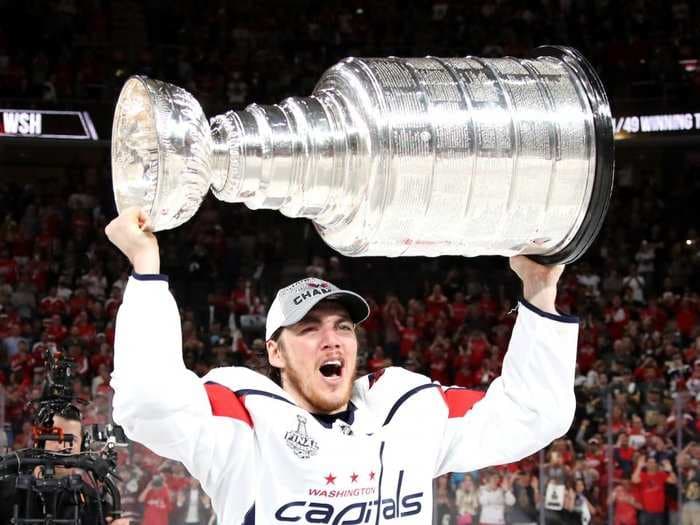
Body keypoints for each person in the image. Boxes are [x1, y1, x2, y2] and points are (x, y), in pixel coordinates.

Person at [106, 207, 579, 524]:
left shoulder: (404, 411)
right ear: (275, 352)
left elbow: (533, 415)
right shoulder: (245, 423)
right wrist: (146, 268)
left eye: (343, 327)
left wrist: (539, 289)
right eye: (309, 329)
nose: (331, 340)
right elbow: (147, 402)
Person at [0, 404, 130, 524]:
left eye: (71, 440)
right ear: (39, 442)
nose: (62, 446)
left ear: (82, 447)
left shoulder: (93, 503)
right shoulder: (6, 492)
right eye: (55, 436)